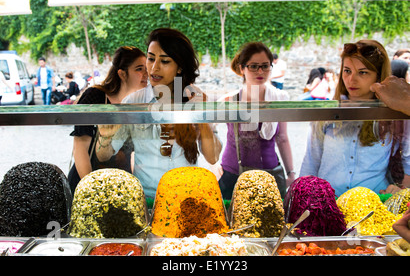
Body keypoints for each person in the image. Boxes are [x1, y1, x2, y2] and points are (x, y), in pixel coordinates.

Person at [95, 28, 222, 199]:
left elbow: (213, 157)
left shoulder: (195, 98)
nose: (154, 68)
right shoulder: (133, 102)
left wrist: (201, 118)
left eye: (165, 61)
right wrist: (105, 137)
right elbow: (103, 155)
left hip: (186, 196)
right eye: (151, 58)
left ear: (179, 67)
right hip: (147, 199)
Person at [300, 40, 410, 197]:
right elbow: (311, 161)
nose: (352, 79)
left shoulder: (393, 116)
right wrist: (302, 198)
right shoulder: (328, 112)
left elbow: (409, 164)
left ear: (378, 77)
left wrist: (400, 192)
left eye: (363, 72)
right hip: (328, 203)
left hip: (373, 204)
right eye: (347, 71)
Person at [217, 42, 295, 199]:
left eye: (265, 66)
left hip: (270, 175)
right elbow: (208, 131)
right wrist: (214, 165)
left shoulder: (279, 99)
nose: (260, 71)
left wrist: (291, 173)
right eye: (253, 66)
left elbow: (282, 138)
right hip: (233, 175)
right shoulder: (229, 101)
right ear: (242, 68)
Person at [67, 46, 148, 194]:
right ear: (122, 74)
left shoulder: (139, 103)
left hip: (120, 186)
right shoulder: (95, 96)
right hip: (87, 182)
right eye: (139, 69)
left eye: (147, 69)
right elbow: (80, 146)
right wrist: (91, 189)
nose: (146, 74)